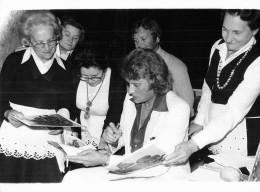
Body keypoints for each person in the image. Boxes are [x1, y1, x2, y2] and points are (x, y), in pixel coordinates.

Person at [62, 48, 190, 183]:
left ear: (156, 81)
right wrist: (113, 139)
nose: (130, 91)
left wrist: (105, 159)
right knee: (72, 178)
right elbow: (123, 138)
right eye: (128, 84)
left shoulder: (178, 108)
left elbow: (158, 162)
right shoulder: (131, 101)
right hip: (131, 173)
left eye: (136, 84)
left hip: (163, 177)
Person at [164, 9, 260, 166]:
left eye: (237, 32)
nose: (228, 38)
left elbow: (234, 111)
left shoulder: (257, 62)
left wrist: (194, 143)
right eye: (225, 29)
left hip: (241, 145)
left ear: (255, 30)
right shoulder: (217, 47)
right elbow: (209, 88)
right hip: (209, 137)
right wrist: (200, 120)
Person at [0, 10, 72, 183]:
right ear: (29, 41)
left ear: (57, 37)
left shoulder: (65, 69)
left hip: (46, 139)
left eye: (51, 41)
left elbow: (66, 104)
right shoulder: (15, 61)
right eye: (40, 43)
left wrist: (62, 120)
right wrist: (7, 113)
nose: (47, 48)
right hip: (15, 136)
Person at [132, 18, 194, 111]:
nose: (139, 45)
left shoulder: (175, 65)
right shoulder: (135, 63)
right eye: (136, 40)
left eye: (143, 39)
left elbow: (187, 104)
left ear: (157, 39)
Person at [70, 49, 126, 144]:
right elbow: (72, 108)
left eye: (95, 76)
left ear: (104, 69)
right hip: (81, 134)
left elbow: (114, 115)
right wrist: (74, 133)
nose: (90, 80)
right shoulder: (76, 77)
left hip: (105, 135)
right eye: (85, 76)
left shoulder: (117, 83)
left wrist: (103, 142)